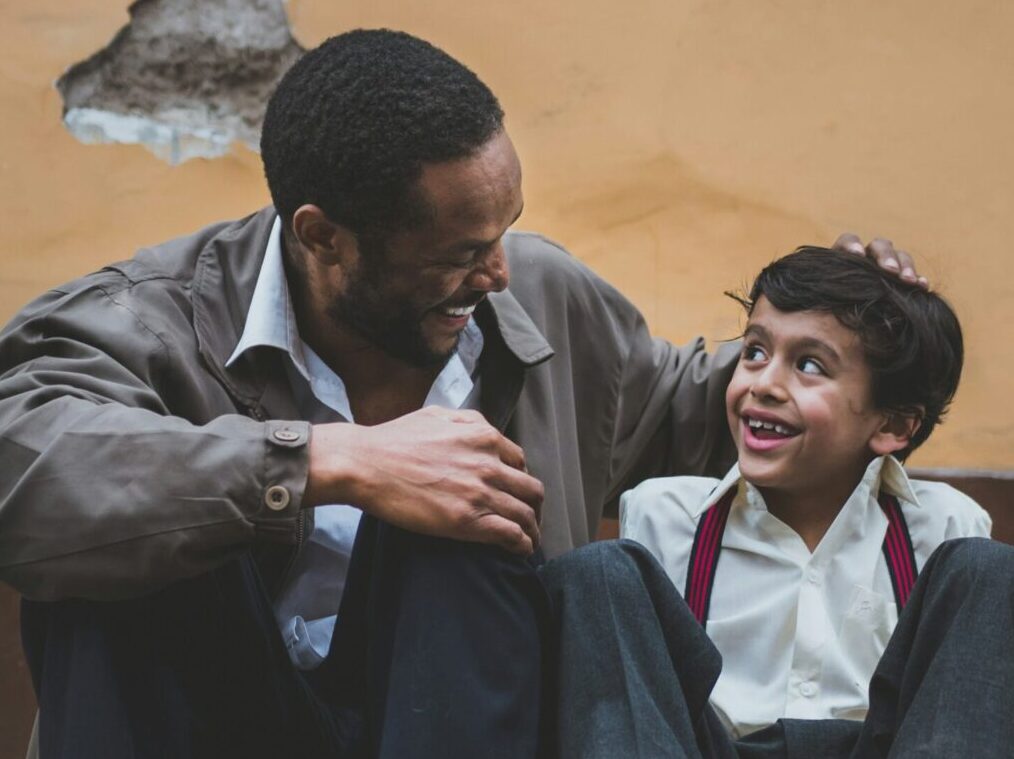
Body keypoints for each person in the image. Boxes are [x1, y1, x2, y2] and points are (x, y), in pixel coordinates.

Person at [0, 30, 923, 759]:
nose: (497, 272)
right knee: (127, 545)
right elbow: (24, 467)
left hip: (464, 721)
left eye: (505, 230)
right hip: (210, 719)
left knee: (467, 504)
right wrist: (331, 461)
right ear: (324, 238)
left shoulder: (542, 296)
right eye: (456, 253)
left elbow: (688, 412)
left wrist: (834, 349)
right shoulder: (145, 319)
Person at [610, 247, 1011, 758]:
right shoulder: (665, 515)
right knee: (601, 570)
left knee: (987, 568)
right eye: (754, 351)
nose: (764, 383)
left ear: (892, 425)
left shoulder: (945, 526)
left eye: (808, 364)